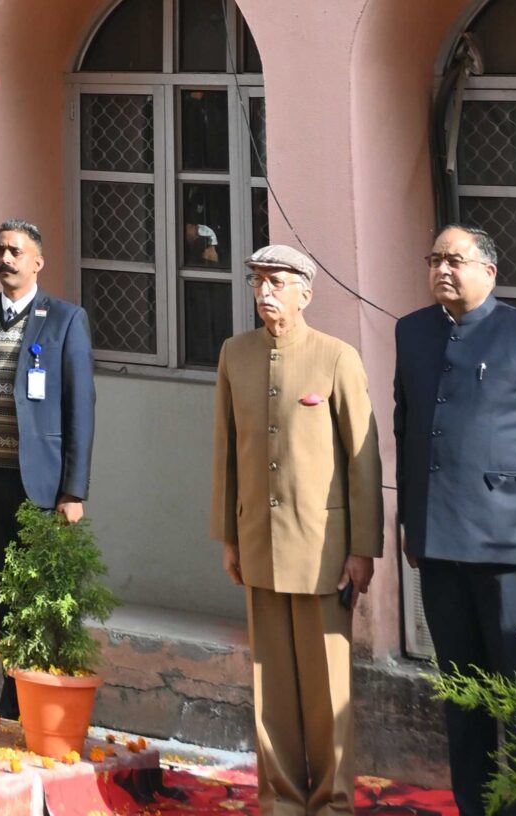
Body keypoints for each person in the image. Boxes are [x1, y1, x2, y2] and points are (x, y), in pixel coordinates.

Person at [394, 223, 516, 816]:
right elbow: (406, 429)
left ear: (490, 272)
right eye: (435, 259)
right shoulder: (413, 332)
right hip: (439, 547)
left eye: (456, 259)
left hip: (511, 550)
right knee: (462, 697)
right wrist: (411, 525)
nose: (443, 269)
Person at [212, 244, 382, 816]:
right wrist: (229, 536)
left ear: (305, 293)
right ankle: (281, 798)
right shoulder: (235, 354)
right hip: (259, 539)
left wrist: (363, 549)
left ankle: (333, 801)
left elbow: (363, 461)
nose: (265, 291)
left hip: (323, 550)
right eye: (258, 281)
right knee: (271, 686)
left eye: (277, 281)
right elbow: (226, 451)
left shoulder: (336, 357)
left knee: (328, 686)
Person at [0, 220, 96, 720]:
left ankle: (46, 699)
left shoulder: (64, 320)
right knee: (6, 589)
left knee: (43, 592)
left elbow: (80, 408)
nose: (6, 258)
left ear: (38, 262)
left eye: (16, 251)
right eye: (0, 250)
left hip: (42, 485)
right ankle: (13, 696)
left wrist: (73, 490)